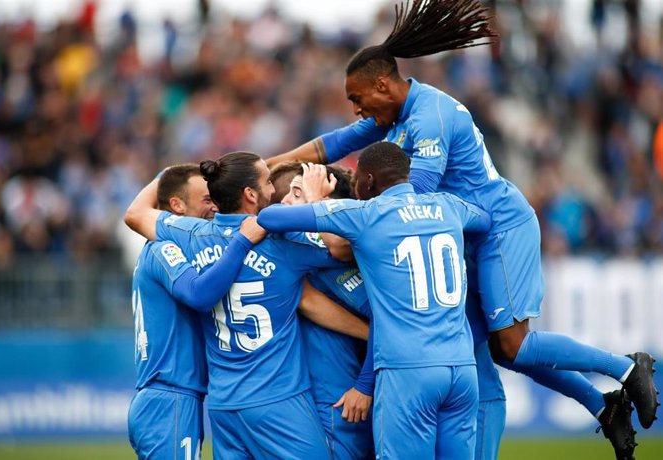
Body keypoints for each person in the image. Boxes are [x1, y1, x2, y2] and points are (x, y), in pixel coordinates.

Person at [266, 1, 658, 457]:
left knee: (511, 344)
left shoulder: (430, 116)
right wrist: (271, 164)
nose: (355, 110)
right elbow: (332, 143)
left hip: (498, 226)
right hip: (463, 231)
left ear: (381, 84)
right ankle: (600, 403)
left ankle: (625, 368)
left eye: (357, 99)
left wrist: (346, 226)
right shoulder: (393, 116)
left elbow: (415, 200)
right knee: (484, 347)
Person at [260, 142, 490, 459]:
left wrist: (314, 198)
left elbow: (270, 218)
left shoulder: (367, 215)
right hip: (462, 369)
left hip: (408, 370)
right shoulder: (448, 206)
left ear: (368, 180)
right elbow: (485, 220)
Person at [141, 151, 359, 459]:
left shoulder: (190, 234)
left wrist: (165, 171)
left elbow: (136, 215)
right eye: (269, 182)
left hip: (223, 405)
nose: (275, 192)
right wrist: (314, 198)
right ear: (250, 194)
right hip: (277, 400)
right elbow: (342, 249)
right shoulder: (282, 241)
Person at [124, 164, 266, 459]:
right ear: (176, 205)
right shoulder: (162, 247)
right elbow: (198, 294)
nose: (215, 206)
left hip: (174, 398)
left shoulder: (177, 250)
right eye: (206, 199)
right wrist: (241, 242)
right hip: (169, 398)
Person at [278, 164, 376, 459]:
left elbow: (387, 323)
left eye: (297, 194)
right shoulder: (301, 254)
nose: (284, 202)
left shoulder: (344, 262)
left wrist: (365, 386)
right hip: (304, 397)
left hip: (339, 396)